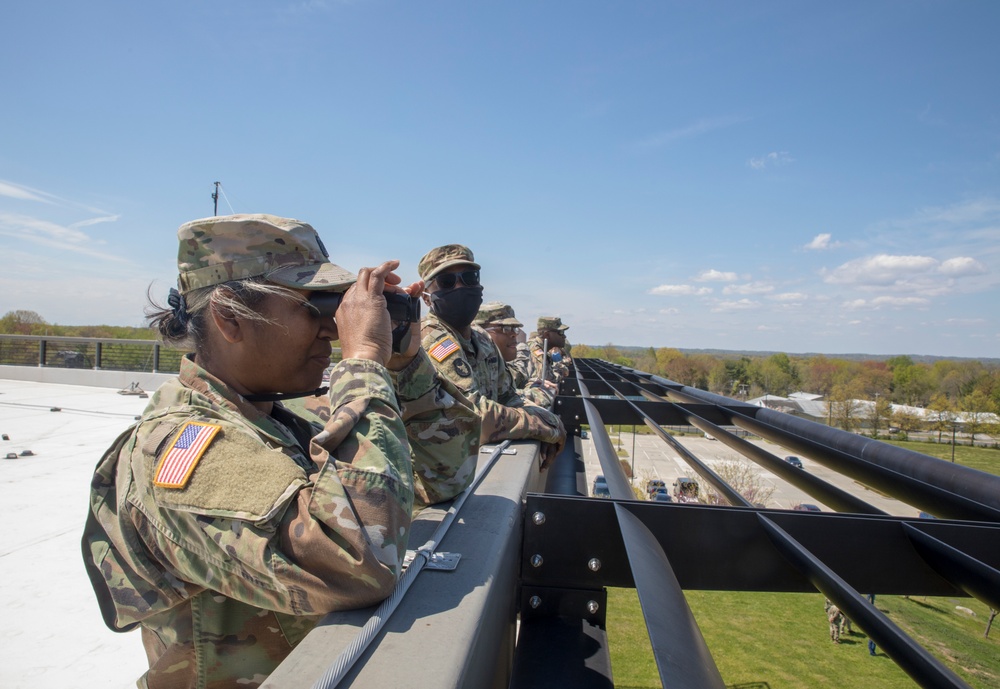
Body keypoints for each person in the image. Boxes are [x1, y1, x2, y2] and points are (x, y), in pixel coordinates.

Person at [82, 214, 432, 688]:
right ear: (229, 317)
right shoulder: (182, 446)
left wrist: (405, 364)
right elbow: (357, 564)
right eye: (314, 309)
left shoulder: (284, 417)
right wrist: (364, 360)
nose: (332, 331)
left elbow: (441, 474)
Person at [417, 245, 566, 461]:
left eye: (469, 277)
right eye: (446, 282)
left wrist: (546, 419)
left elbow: (509, 397)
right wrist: (542, 426)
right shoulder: (431, 338)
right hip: (439, 476)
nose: (460, 287)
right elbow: (473, 416)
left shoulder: (482, 339)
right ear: (427, 297)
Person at [474, 301, 556, 407]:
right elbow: (481, 411)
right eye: (505, 329)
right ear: (480, 332)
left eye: (515, 329)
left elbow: (506, 395)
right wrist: (536, 394)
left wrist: (532, 385)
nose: (514, 334)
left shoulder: (495, 365)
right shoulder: (472, 364)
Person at [527, 316, 571, 384]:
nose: (564, 336)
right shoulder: (535, 349)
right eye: (560, 332)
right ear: (547, 335)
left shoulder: (544, 350)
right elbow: (545, 378)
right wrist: (561, 371)